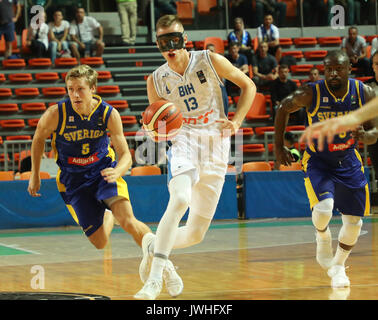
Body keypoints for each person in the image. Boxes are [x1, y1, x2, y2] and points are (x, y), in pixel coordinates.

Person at [27, 64, 182, 294]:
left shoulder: (108, 113)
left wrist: (118, 171)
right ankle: (107, 213)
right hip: (72, 181)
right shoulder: (56, 113)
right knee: (99, 243)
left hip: (103, 172)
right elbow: (38, 138)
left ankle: (162, 267)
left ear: (92, 88)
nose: (75, 94)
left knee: (128, 220)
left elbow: (126, 156)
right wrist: (34, 174)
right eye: (70, 89)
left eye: (80, 89)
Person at [134, 14, 256, 300]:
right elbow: (159, 124)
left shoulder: (210, 60)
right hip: (184, 142)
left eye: (174, 40)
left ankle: (152, 246)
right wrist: (153, 133)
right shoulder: (155, 80)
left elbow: (249, 85)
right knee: (179, 200)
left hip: (216, 145)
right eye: (163, 42)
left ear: (185, 39)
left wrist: (237, 121)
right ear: (157, 45)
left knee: (196, 233)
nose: (170, 47)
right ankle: (153, 281)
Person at [275, 50, 376, 289]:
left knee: (355, 223)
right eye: (328, 68)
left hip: (349, 159)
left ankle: (339, 266)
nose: (333, 73)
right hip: (318, 159)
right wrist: (279, 147)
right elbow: (282, 108)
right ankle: (321, 235)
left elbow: (375, 132)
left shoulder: (364, 93)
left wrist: (366, 135)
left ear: (349, 69)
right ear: (323, 69)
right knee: (324, 209)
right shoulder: (311, 92)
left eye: (338, 68)